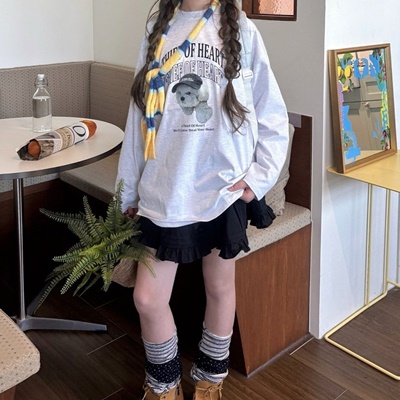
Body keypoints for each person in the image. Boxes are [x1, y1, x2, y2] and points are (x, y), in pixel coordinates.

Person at [117, 0, 289, 399]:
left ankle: (211, 380)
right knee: (147, 298)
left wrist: (258, 178)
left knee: (219, 288)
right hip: (165, 189)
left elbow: (271, 110)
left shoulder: (241, 28)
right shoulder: (157, 27)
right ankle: (165, 384)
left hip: (221, 190)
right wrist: (128, 190)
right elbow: (138, 115)